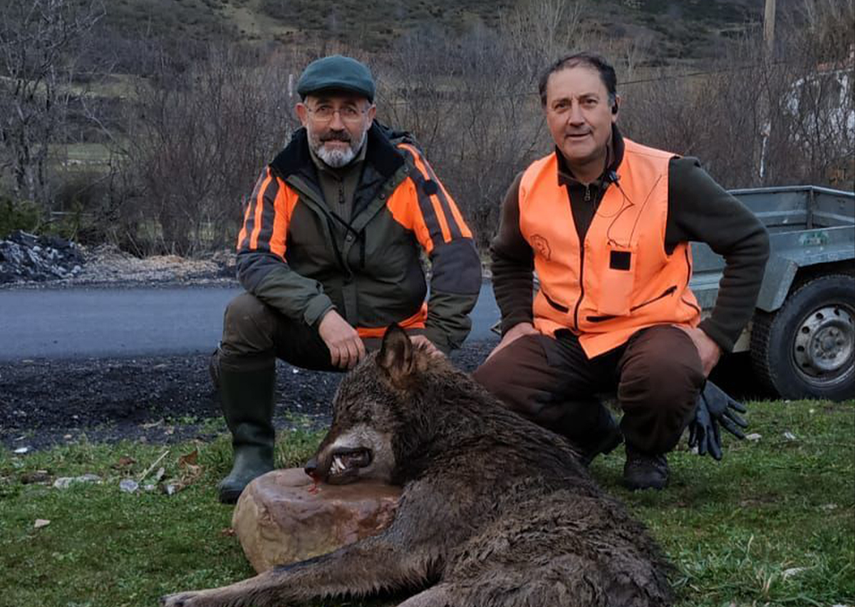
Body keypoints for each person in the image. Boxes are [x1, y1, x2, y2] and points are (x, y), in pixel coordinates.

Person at [473, 52, 769, 491]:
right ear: (546, 114)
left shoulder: (669, 177)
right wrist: (517, 323)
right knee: (490, 387)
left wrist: (715, 338)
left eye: (589, 102)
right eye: (561, 105)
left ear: (614, 107)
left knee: (667, 373)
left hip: (650, 332)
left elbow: (750, 241)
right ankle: (590, 431)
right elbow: (508, 256)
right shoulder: (529, 185)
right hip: (566, 340)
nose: (575, 118)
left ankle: (645, 449)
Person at [214, 55, 482, 503]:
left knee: (460, 410)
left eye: (350, 110)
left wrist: (439, 335)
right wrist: (320, 314)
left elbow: (456, 251)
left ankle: (416, 461)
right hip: (318, 333)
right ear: (303, 115)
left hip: (396, 343)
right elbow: (255, 258)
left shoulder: (406, 169)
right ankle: (252, 453)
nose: (335, 123)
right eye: (323, 109)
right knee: (243, 315)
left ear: (370, 115)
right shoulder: (281, 174)